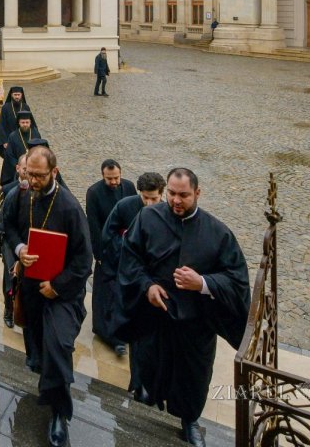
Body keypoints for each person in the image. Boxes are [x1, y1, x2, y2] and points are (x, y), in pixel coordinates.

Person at [117, 167, 250, 447]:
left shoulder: (217, 232)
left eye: (184, 195)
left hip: (194, 324)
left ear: (197, 193)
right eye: (172, 194)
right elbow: (130, 257)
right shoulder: (148, 217)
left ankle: (189, 421)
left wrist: (202, 282)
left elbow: (237, 279)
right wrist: (146, 285)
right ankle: (146, 399)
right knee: (150, 367)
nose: (176, 200)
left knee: (191, 378)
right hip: (154, 316)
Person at [3, 145, 91, 447]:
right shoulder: (22, 195)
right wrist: (20, 249)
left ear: (54, 172)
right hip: (31, 289)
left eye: (39, 175)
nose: (33, 180)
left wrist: (59, 285)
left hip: (62, 294)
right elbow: (10, 228)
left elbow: (84, 259)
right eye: (29, 174)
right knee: (40, 348)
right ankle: (47, 383)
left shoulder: (69, 207)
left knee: (58, 345)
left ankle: (59, 413)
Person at [101, 171, 166, 396]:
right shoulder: (125, 206)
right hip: (132, 280)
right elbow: (107, 235)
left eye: (154, 199)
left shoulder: (169, 214)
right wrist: (127, 246)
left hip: (158, 284)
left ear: (162, 195)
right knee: (137, 338)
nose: (148, 203)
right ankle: (138, 384)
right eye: (145, 198)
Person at [84, 159, 137, 355]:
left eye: (116, 178)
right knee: (106, 292)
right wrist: (98, 253)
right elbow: (94, 226)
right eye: (110, 179)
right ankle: (108, 333)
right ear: (102, 176)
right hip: (106, 247)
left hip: (126, 246)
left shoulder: (129, 187)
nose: (114, 182)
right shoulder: (94, 192)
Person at [0, 151, 30, 328]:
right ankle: (9, 308)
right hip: (11, 241)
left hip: (30, 240)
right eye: (25, 169)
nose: (27, 174)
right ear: (18, 169)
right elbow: (3, 221)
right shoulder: (8, 190)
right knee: (11, 276)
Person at [0, 109, 40, 189]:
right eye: (23, 122)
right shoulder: (13, 136)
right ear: (19, 123)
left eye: (27, 122)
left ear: (30, 122)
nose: (25, 125)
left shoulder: (35, 133)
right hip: (17, 170)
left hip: (33, 168)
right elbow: (9, 155)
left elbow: (40, 151)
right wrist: (20, 167)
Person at [0, 85, 31, 154]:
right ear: (11, 95)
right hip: (9, 138)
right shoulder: (5, 107)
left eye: (18, 95)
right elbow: (1, 124)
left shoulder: (26, 107)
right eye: (15, 95)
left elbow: (31, 123)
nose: (17, 97)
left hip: (23, 138)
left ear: (21, 95)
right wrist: (4, 141)